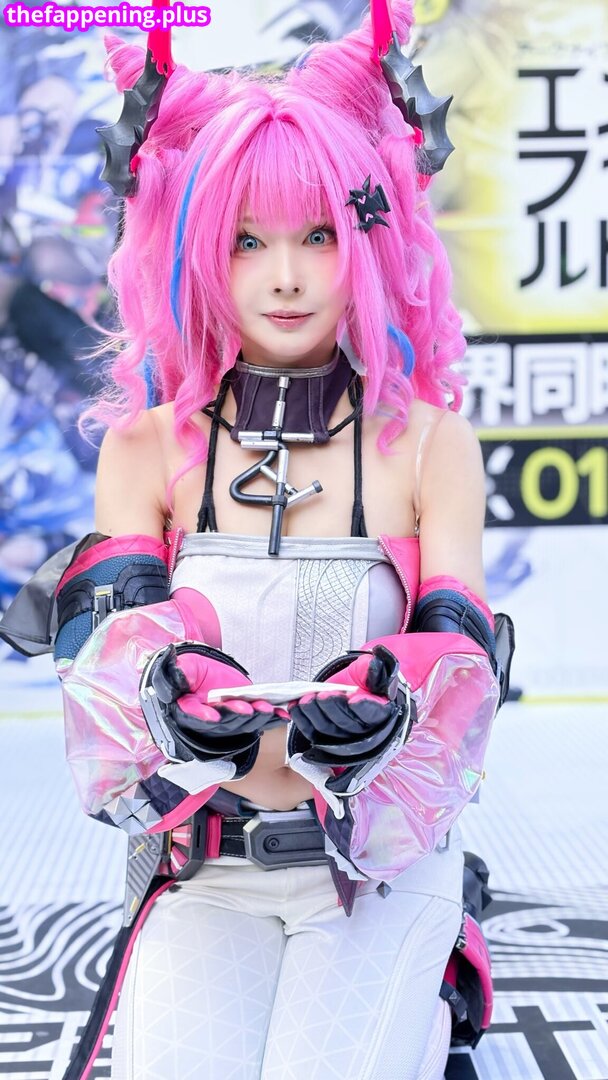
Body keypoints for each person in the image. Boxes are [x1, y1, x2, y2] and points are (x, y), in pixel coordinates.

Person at [0, 3, 511, 1077]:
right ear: (198, 251)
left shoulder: (430, 444)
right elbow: (103, 696)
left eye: (317, 235)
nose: (285, 275)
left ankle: (435, 997)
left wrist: (396, 697)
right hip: (202, 867)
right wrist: (157, 688)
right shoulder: (146, 448)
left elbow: (467, 671)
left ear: (367, 241)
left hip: (377, 867)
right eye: (248, 240)